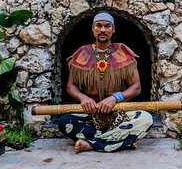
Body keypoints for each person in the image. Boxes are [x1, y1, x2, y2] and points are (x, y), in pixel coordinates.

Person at [58, 11, 153, 153]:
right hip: (90, 113)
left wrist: (115, 98)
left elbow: (136, 87)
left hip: (119, 112)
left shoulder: (123, 52)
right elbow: (70, 87)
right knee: (65, 122)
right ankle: (122, 141)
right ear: (93, 28)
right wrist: (83, 98)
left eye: (107, 26)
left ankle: (91, 144)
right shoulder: (82, 52)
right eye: (99, 26)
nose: (103, 30)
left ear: (113, 29)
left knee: (146, 119)